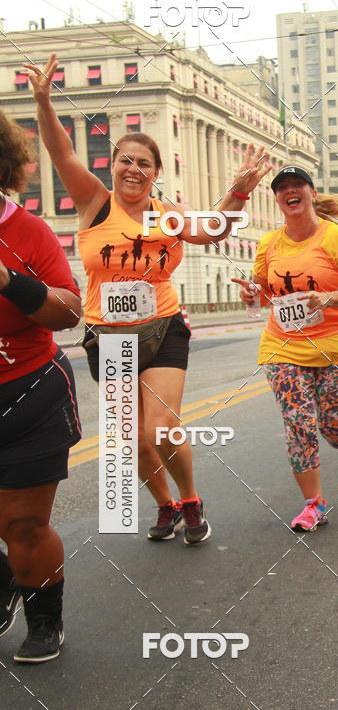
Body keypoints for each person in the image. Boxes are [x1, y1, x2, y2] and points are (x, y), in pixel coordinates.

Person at [25, 53, 271, 545]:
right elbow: (61, 152)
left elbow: (211, 229)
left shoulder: (168, 213)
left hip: (162, 328)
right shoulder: (95, 203)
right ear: (113, 166)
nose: (133, 169)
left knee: (161, 428)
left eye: (144, 163)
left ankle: (191, 499)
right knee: (132, 439)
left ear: (156, 172)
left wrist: (239, 193)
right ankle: (165, 505)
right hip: (109, 337)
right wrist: (44, 102)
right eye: (125, 160)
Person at [232, 167, 338, 532]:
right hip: (283, 346)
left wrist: (329, 298)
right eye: (282, 187)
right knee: (298, 421)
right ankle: (314, 504)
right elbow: (263, 293)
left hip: (336, 347)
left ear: (312, 193)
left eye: (297, 184)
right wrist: (251, 294)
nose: (290, 191)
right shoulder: (268, 244)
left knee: (334, 425)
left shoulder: (337, 239)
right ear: (277, 199)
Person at [0, 111, 82, 663]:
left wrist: (9, 281)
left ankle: (45, 621)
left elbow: (69, 312)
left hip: (28, 395)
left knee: (23, 524)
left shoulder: (28, 232)